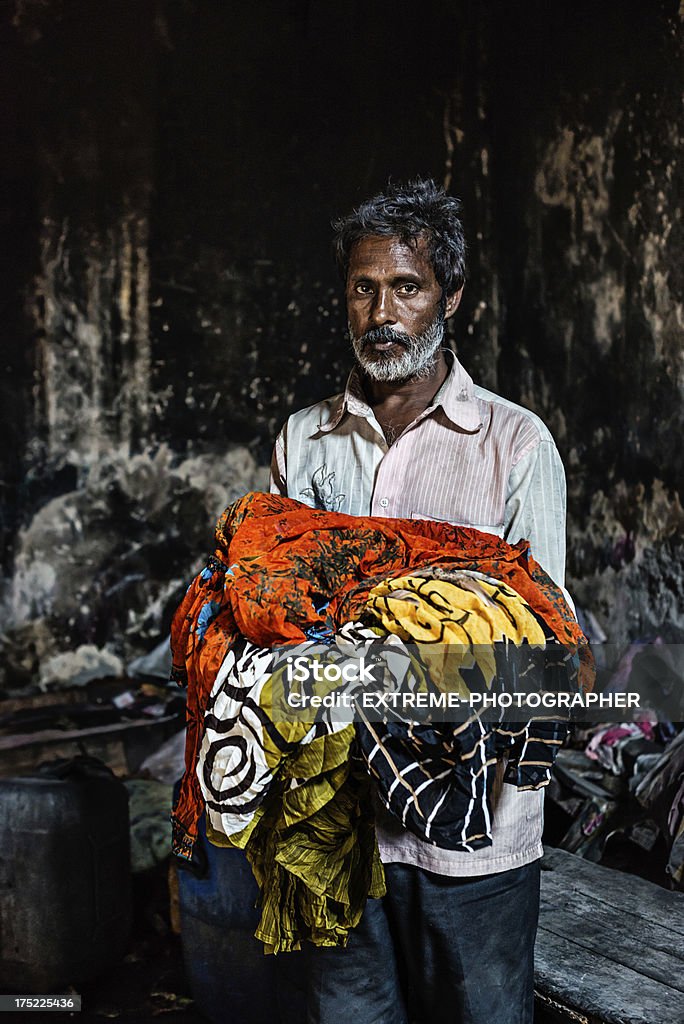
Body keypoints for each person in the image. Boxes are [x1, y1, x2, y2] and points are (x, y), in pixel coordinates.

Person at [269, 178, 568, 1024]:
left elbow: (543, 640)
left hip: (475, 834)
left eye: (407, 286)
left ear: (452, 297)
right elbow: (279, 613)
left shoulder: (514, 442)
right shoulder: (303, 439)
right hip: (335, 818)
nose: (381, 311)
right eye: (363, 288)